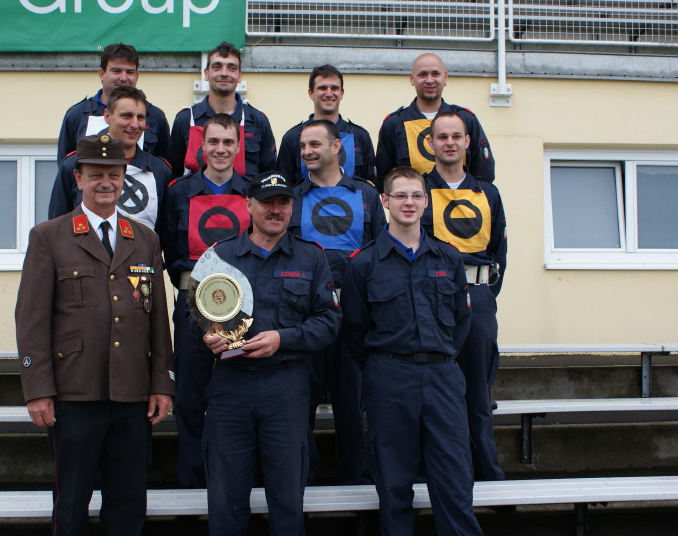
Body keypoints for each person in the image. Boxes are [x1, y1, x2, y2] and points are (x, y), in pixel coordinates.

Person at [15, 134, 175, 535]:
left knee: (128, 502)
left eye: (114, 174)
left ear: (124, 179)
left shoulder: (145, 239)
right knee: (71, 501)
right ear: (78, 179)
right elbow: (31, 319)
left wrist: (162, 383)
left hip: (132, 393)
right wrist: (37, 389)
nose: (106, 182)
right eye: (96, 175)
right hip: (74, 393)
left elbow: (157, 319)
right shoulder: (49, 236)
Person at [341, 166, 482, 536]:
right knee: (393, 484)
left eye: (416, 195)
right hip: (390, 380)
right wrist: (386, 365)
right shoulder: (363, 263)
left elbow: (461, 322)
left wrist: (438, 357)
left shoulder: (448, 258)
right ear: (384, 201)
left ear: (426, 201)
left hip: (443, 377)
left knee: (454, 481)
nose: (409, 202)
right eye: (400, 195)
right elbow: (355, 329)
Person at [199, 171, 341, 536]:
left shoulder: (311, 258)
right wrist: (208, 334)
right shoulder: (219, 255)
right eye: (267, 202)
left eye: (283, 203)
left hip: (286, 388)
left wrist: (284, 338)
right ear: (248, 205)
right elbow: (194, 313)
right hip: (230, 388)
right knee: (226, 502)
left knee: (288, 500)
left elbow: (329, 321)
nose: (275, 210)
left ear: (292, 207)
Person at [288, 119, 385, 484]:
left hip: (352, 314)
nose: (307, 151)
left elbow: (379, 255)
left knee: (352, 402)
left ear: (335, 147)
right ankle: (300, 478)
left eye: (315, 144)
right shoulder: (293, 197)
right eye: (303, 146)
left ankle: (356, 477)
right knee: (300, 402)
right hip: (304, 315)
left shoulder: (366, 196)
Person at [160, 113, 251, 489]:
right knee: (191, 396)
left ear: (238, 146)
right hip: (191, 301)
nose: (220, 149)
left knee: (241, 393)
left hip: (243, 305)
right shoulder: (178, 192)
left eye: (228, 142)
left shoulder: (252, 191)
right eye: (213, 141)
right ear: (202, 145)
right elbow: (168, 246)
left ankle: (238, 481)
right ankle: (193, 483)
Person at [423, 111, 508, 483]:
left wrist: (484, 294)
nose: (449, 143)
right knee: (432, 392)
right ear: (430, 143)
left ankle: (485, 472)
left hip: (477, 297)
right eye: (442, 137)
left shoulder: (488, 193)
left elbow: (500, 250)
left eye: (456, 136)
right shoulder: (418, 190)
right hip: (429, 300)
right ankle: (433, 473)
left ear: (468, 141)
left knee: (477, 392)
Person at [48, 86, 172, 232]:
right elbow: (57, 228)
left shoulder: (160, 170)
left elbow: (166, 233)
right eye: (126, 116)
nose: (134, 125)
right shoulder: (74, 164)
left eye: (140, 118)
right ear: (107, 116)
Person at [376, 52, 495, 188]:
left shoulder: (466, 120)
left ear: (445, 77)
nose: (429, 80)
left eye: (435, 74)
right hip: (415, 201)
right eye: (422, 75)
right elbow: (384, 179)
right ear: (412, 79)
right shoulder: (394, 124)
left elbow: (484, 173)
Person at [169, 41, 276, 179]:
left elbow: (269, 176)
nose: (224, 73)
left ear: (239, 76)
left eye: (231, 68)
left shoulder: (258, 121)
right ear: (206, 73)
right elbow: (174, 174)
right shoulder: (184, 120)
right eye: (217, 67)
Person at [57, 42, 170, 163]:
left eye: (130, 72)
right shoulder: (76, 115)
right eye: (116, 71)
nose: (123, 78)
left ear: (137, 76)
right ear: (101, 73)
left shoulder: (156, 117)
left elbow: (164, 167)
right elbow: (66, 166)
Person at [277, 65, 375, 184]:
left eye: (334, 88)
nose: (329, 94)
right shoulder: (292, 138)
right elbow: (284, 187)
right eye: (322, 88)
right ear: (311, 93)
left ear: (342, 93)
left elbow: (370, 185)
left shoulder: (360, 136)